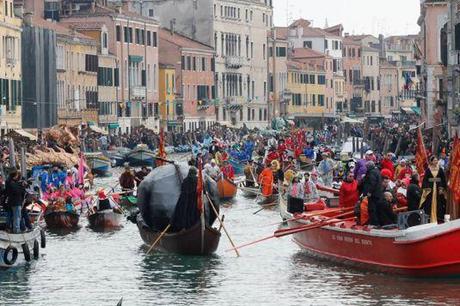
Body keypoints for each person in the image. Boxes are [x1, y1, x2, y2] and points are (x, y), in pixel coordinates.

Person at [170, 167, 200, 231]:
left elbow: (182, 190)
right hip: (195, 200)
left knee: (185, 213)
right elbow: (202, 190)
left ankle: (185, 227)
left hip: (185, 201)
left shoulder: (185, 180)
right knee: (194, 213)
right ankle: (194, 225)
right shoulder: (198, 180)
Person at [420, 156, 447, 223]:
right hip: (430, 189)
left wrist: (441, 187)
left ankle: (439, 218)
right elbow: (425, 180)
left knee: (440, 203)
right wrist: (427, 188)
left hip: (438, 189)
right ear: (431, 162)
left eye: (436, 160)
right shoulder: (428, 170)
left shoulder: (440, 169)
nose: (436, 161)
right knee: (429, 203)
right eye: (434, 160)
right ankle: (429, 218)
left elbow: (443, 179)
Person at [361, 161, 383, 226]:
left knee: (372, 209)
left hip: (373, 194)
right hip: (378, 193)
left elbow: (372, 183)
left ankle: (374, 224)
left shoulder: (372, 172)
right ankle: (378, 223)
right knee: (377, 209)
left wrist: (369, 192)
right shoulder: (377, 171)